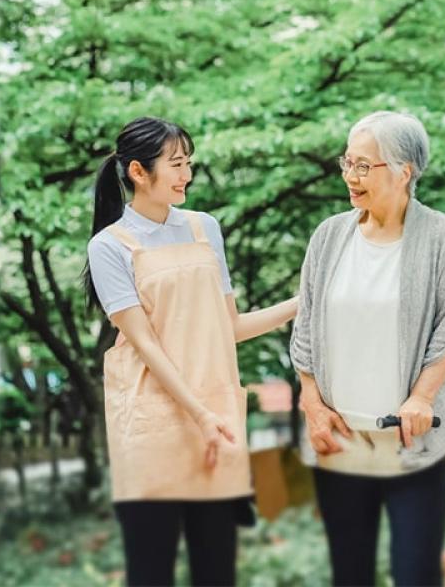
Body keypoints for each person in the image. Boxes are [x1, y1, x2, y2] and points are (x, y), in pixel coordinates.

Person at [85, 116, 298, 587]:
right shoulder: (109, 247)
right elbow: (146, 345)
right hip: (152, 420)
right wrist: (198, 413)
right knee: (151, 568)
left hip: (216, 417)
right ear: (139, 172)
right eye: (176, 164)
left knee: (217, 566)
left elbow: (230, 328)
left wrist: (303, 302)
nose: (187, 175)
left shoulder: (205, 230)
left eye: (189, 163)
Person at [289, 110, 445, 587]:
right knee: (349, 575)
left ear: (404, 171)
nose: (351, 175)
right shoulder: (329, 236)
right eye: (347, 162)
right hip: (341, 443)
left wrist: (422, 397)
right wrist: (311, 403)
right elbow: (305, 327)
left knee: (415, 575)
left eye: (364, 165)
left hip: (411, 444)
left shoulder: (441, 235)